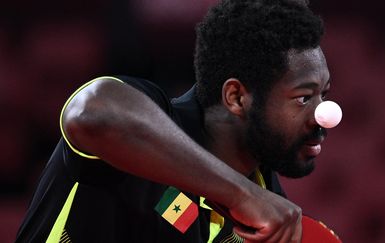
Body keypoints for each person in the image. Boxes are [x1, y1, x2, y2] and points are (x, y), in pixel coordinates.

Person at [16, 0, 330, 242]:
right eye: (304, 97)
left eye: (323, 95)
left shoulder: (271, 212)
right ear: (236, 97)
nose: (324, 116)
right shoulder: (142, 134)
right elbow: (89, 113)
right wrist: (240, 196)